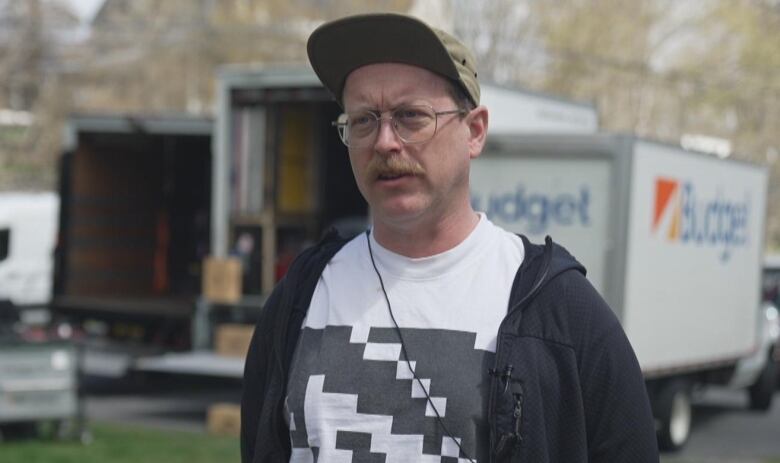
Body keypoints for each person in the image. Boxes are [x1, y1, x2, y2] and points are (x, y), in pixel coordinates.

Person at [241, 12, 659, 463]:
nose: (384, 142)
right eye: (363, 120)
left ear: (474, 131)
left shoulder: (556, 309)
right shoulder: (301, 297)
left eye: (410, 116)